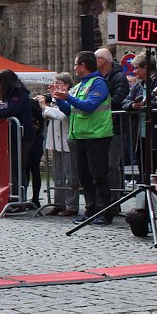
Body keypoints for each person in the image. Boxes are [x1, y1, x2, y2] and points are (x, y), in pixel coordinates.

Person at [50, 51, 113, 225]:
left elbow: (90, 106)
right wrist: (60, 100)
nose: (74, 68)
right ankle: (91, 210)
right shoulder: (79, 86)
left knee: (98, 177)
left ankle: (105, 212)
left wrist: (67, 97)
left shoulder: (99, 83)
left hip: (97, 135)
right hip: (80, 136)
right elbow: (71, 111)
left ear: (83, 66)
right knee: (84, 176)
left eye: (76, 64)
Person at [0, 69, 36, 201]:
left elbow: (13, 110)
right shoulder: (14, 90)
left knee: (17, 167)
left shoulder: (18, 91)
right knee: (15, 167)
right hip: (16, 134)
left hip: (22, 135)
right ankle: (18, 197)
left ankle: (18, 198)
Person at [94, 48, 130, 218]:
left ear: (102, 60)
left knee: (112, 165)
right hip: (102, 126)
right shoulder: (99, 77)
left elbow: (119, 100)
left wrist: (98, 102)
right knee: (103, 166)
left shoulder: (118, 77)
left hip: (116, 126)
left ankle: (115, 201)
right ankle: (105, 200)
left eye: (95, 59)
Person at [37, 73, 79, 217]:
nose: (55, 85)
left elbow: (63, 114)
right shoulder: (57, 99)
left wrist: (45, 107)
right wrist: (47, 108)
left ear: (66, 85)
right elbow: (48, 114)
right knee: (58, 175)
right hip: (56, 140)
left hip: (67, 139)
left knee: (69, 175)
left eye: (58, 82)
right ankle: (58, 204)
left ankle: (71, 205)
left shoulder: (71, 96)